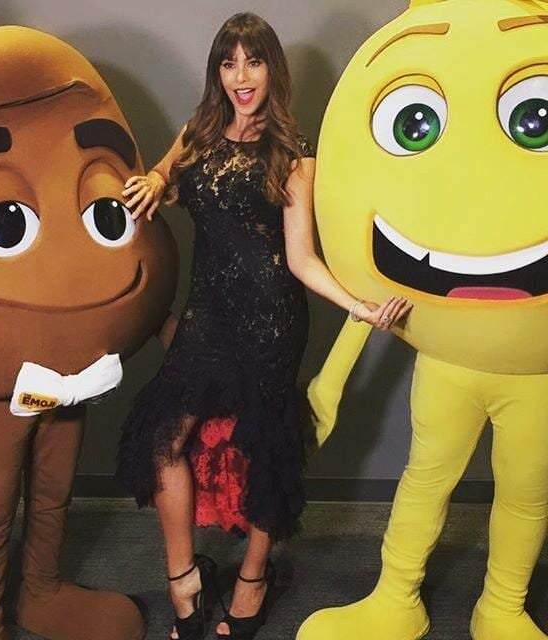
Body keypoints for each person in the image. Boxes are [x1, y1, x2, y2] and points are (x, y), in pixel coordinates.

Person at [116, 12, 412, 640]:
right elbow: (166, 174)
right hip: (207, 315)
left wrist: (357, 305)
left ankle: (253, 578)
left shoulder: (292, 157)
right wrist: (154, 179)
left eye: (252, 62)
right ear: (217, 72)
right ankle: (183, 579)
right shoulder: (197, 132)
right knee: (162, 440)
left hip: (271, 320)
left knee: (262, 452)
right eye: (229, 63)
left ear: (271, 69)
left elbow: (301, 258)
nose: (241, 76)